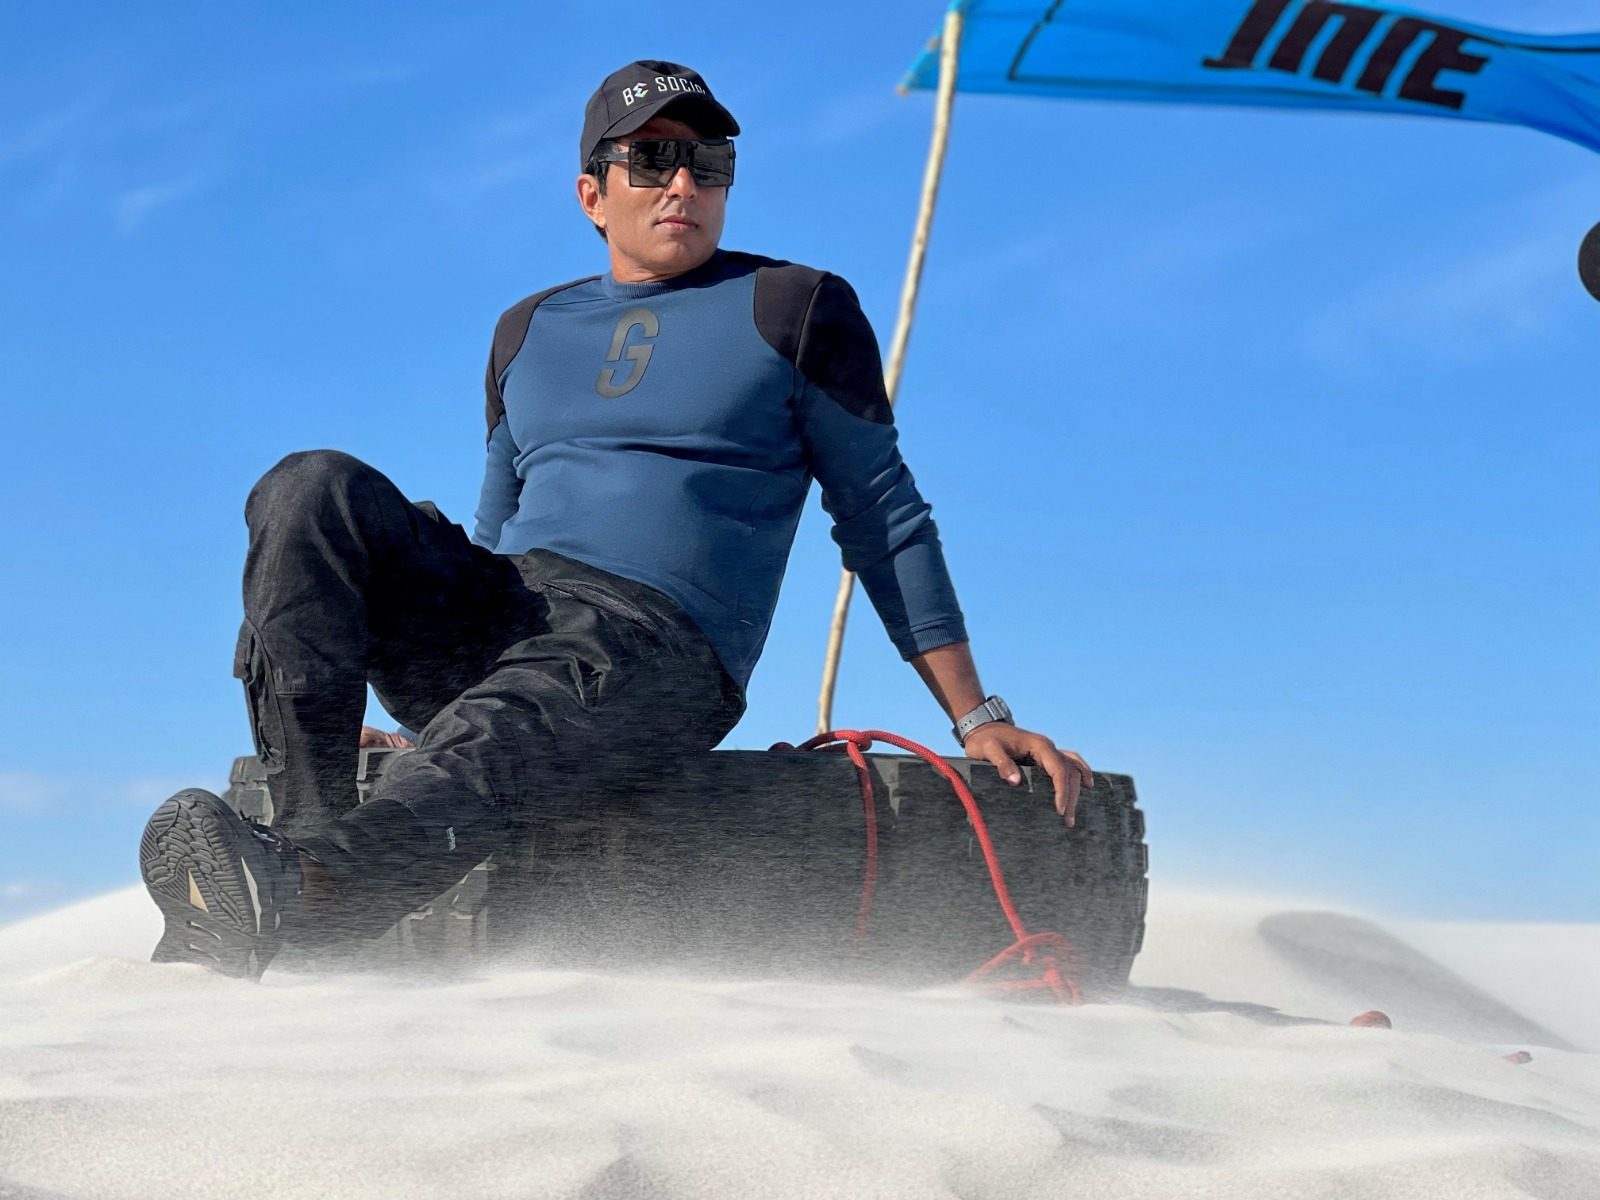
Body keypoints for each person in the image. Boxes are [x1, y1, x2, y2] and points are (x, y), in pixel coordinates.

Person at [138, 60, 1093, 980]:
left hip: (660, 643)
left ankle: (312, 895)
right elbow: (496, 528)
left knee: (530, 700)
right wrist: (438, 718)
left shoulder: (796, 306)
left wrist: (977, 716)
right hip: (514, 609)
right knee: (310, 487)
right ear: (593, 194)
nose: (684, 184)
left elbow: (881, 513)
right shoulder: (526, 330)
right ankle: (301, 843)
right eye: (652, 159)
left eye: (708, 163)